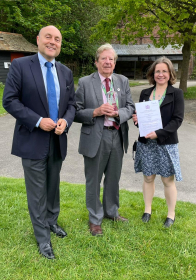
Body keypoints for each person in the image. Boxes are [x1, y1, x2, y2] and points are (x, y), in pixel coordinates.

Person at [2, 26, 76, 259]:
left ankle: (51, 221)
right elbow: (10, 100)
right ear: (38, 40)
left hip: (57, 140)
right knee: (37, 192)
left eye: (58, 39)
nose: (53, 42)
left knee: (53, 187)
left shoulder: (65, 72)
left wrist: (66, 120)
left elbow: (72, 105)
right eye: (48, 37)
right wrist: (36, 120)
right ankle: (43, 238)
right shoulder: (21, 66)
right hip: (32, 139)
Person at [74, 43, 135, 236]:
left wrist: (119, 113)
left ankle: (111, 212)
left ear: (115, 63)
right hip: (95, 137)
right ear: (96, 62)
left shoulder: (122, 81)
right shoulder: (85, 82)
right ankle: (95, 219)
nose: (107, 62)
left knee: (113, 178)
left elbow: (131, 107)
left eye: (111, 59)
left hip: (117, 134)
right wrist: (96, 111)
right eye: (104, 59)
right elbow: (75, 112)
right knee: (93, 180)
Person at [132, 56, 184, 228]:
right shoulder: (145, 93)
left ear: (170, 74)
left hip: (166, 142)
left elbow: (177, 120)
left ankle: (171, 214)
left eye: (164, 71)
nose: (160, 74)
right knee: (148, 177)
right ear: (152, 74)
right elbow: (141, 117)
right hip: (147, 142)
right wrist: (136, 119)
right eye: (157, 71)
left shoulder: (176, 94)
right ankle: (147, 210)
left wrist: (159, 133)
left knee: (167, 180)